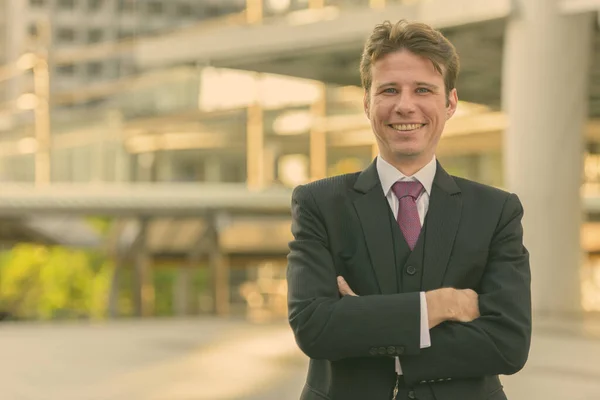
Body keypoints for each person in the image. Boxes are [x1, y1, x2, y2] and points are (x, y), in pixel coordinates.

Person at [286, 19, 531, 400]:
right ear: (366, 102)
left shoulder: (497, 211)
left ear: (450, 102)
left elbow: (508, 343)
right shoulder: (318, 203)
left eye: (423, 89)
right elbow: (315, 329)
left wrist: (367, 323)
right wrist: (441, 305)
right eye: (388, 90)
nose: (405, 105)